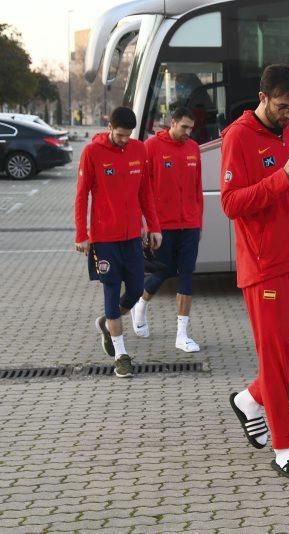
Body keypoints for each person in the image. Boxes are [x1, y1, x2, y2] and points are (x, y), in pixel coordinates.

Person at [220, 64, 289, 481]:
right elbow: (231, 203)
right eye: (283, 107)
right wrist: (281, 178)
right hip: (264, 264)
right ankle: (286, 449)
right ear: (263, 98)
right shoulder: (238, 136)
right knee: (273, 355)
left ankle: (252, 398)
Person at [74, 106, 162, 378]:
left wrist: (154, 227)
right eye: (120, 134)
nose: (125, 140)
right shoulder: (92, 152)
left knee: (135, 290)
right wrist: (82, 234)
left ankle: (107, 322)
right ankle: (121, 355)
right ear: (109, 127)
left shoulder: (139, 150)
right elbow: (81, 196)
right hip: (104, 240)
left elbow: (146, 191)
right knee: (111, 291)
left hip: (132, 237)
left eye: (129, 135)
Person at [131, 107, 203, 352]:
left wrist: (198, 221)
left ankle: (182, 335)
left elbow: (197, 188)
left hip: (190, 224)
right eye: (183, 127)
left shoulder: (193, 148)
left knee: (186, 273)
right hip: (162, 225)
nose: (187, 132)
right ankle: (140, 304)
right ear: (171, 123)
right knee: (164, 271)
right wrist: (147, 224)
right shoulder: (151, 147)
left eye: (191, 128)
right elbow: (142, 189)